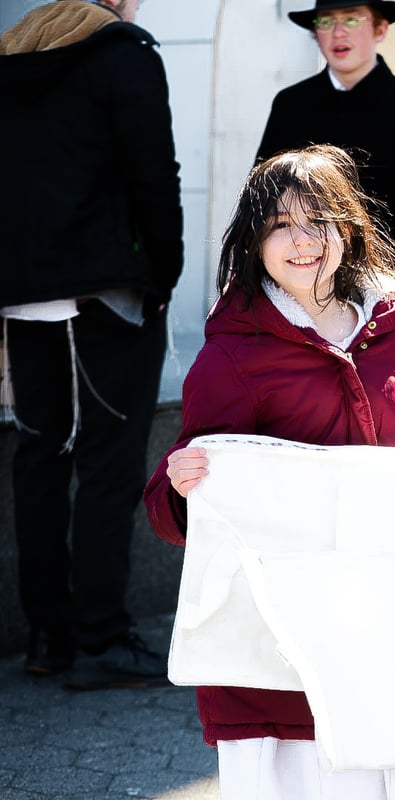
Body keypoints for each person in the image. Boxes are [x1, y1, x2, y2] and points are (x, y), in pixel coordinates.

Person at [142, 145, 395, 799]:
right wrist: (180, 483)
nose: (301, 242)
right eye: (279, 226)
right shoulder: (232, 355)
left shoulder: (385, 325)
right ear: (254, 242)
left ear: (348, 228)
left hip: (377, 615)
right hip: (279, 640)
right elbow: (178, 494)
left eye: (317, 221)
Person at [0, 0, 183, 689]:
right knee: (109, 462)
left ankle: (49, 633)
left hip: (24, 294)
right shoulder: (124, 50)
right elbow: (154, 175)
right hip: (106, 292)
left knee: (41, 455)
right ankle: (101, 638)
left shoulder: (13, 54)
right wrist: (162, 273)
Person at [256, 0, 395, 310]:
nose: (338, 32)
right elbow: (261, 202)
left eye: (351, 20)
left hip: (384, 300)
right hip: (293, 299)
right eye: (325, 22)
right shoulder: (291, 106)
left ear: (381, 28)